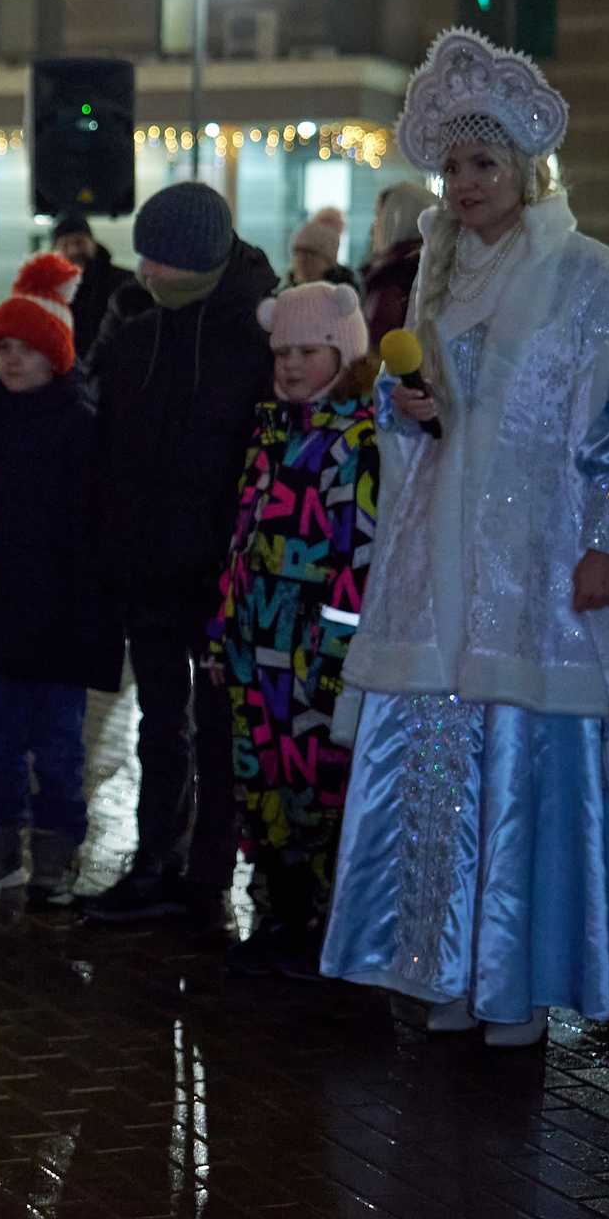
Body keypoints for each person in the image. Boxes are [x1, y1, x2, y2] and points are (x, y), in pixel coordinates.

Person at [323, 28, 609, 1046]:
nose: (463, 179)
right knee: (446, 765)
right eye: (450, 163)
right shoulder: (442, 277)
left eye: (483, 160)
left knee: (524, 774)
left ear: (527, 169)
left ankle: (514, 985)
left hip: (535, 572)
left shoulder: (587, 276)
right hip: (444, 571)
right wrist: (411, 410)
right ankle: (444, 964)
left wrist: (604, 541)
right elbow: (441, 422)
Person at [76, 182, 277, 938]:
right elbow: (109, 450)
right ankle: (155, 858)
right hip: (148, 567)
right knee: (159, 724)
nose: (147, 273)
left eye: (161, 262)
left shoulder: (254, 337)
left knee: (220, 728)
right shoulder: (135, 330)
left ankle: (210, 872)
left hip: (221, 575)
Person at [209, 282, 380, 978]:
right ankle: (280, 911)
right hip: (259, 651)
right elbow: (242, 536)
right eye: (282, 351)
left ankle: (326, 924)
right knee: (264, 781)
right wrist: (225, 630)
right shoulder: (273, 430)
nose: (288, 365)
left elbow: (358, 557)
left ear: (343, 351)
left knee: (320, 789)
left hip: (315, 657)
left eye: (307, 351)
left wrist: (338, 655)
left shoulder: (358, 441)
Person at [0, 253, 118, 908]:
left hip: (60, 617)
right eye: (3, 348)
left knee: (57, 745)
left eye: (28, 348)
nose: (12, 360)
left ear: (58, 356)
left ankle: (55, 851)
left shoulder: (81, 426)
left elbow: (94, 527)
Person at [359, 182, 437, 343]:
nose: (372, 229)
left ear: (396, 219)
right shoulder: (394, 273)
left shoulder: (394, 279)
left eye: (378, 218)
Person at [51, 211, 127, 361]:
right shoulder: (49, 293)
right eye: (65, 245)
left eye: (80, 242)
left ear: (93, 243)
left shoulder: (124, 283)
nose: (74, 250)